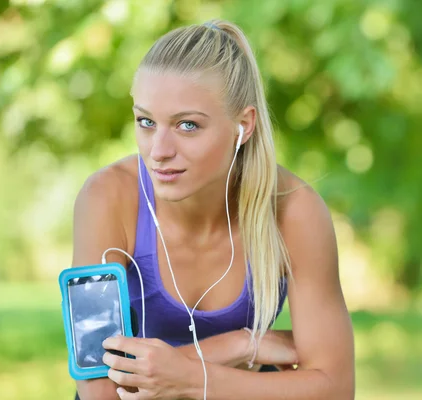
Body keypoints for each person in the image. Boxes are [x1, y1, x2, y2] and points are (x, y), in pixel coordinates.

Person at [71, 19, 355, 400]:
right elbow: (99, 392)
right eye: (146, 122)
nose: (159, 151)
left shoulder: (294, 210)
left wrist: (188, 378)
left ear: (243, 126)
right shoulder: (106, 198)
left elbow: (335, 389)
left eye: (187, 125)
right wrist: (237, 346)